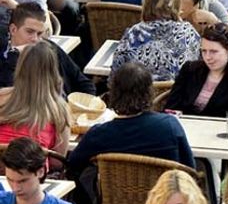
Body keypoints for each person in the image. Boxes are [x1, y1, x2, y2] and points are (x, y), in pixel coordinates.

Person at [67, 62, 195, 180]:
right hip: (166, 200)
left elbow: (72, 165)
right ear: (149, 92)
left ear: (114, 93)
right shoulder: (169, 126)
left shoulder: (99, 134)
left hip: (116, 202)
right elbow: (190, 168)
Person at [0, 3, 95, 96]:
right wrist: (14, 56)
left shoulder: (50, 49)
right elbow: (11, 98)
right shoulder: (4, 59)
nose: (35, 39)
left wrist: (85, 106)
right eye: (30, 32)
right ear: (13, 30)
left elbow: (84, 83)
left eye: (39, 34)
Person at [112, 0, 200, 82]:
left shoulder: (133, 33)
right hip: (178, 95)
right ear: (176, 5)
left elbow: (115, 74)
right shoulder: (189, 32)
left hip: (138, 95)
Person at [163, 23, 228, 119]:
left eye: (213, 51)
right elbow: (170, 107)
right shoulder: (190, 70)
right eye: (204, 51)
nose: (208, 57)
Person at [0, 43, 71, 155]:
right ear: (53, 70)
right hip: (33, 169)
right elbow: (57, 161)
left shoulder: (2, 96)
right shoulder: (59, 110)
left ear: (20, 67)